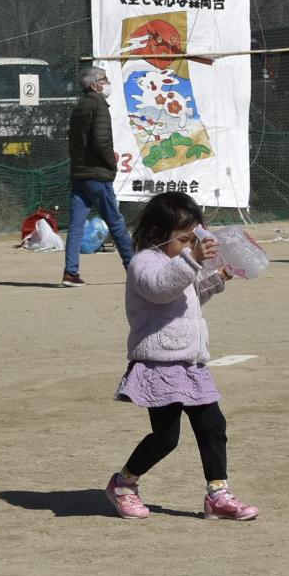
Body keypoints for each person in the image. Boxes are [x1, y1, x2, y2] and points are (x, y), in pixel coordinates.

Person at [102, 191, 259, 522]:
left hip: (189, 362)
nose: (193, 244)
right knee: (166, 437)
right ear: (158, 236)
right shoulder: (143, 263)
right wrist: (193, 259)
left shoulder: (182, 262)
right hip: (159, 363)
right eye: (185, 239)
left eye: (195, 237)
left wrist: (216, 278)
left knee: (213, 424)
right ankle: (123, 484)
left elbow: (188, 296)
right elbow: (161, 288)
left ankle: (217, 493)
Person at [63, 66, 133, 287]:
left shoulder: (79, 108)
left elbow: (74, 140)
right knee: (116, 222)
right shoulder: (99, 106)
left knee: (76, 226)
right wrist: (111, 164)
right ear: (95, 85)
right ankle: (134, 268)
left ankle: (70, 272)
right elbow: (100, 141)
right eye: (105, 79)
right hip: (97, 175)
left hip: (79, 175)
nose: (107, 83)